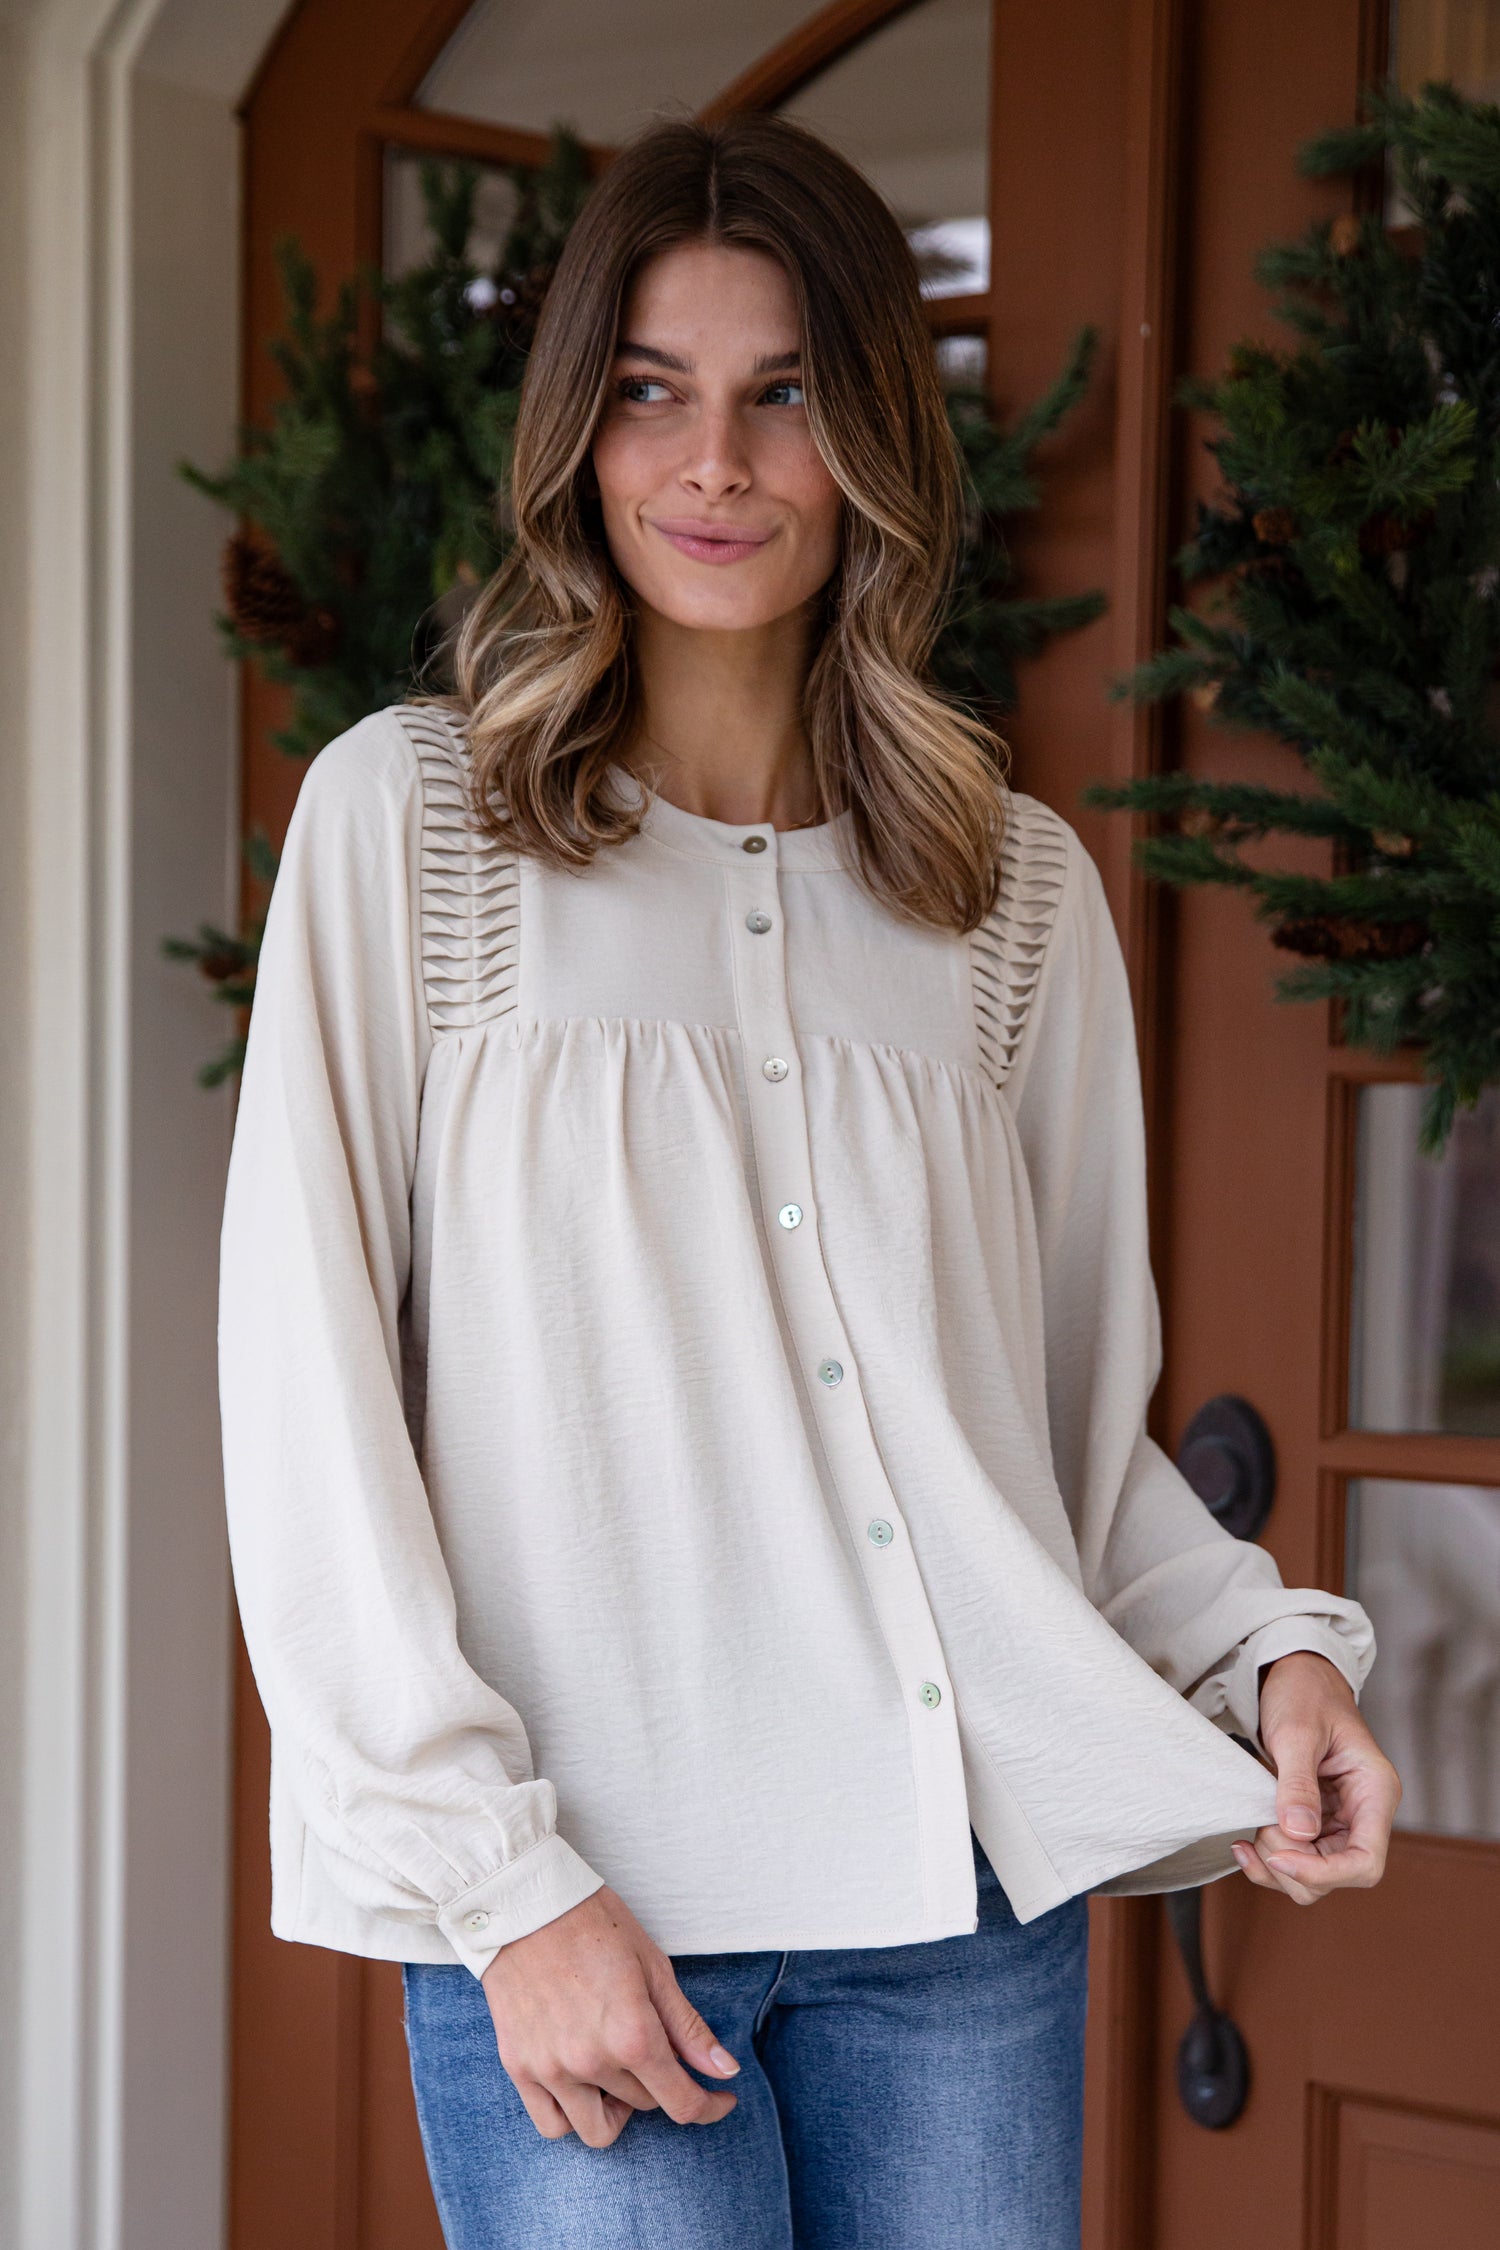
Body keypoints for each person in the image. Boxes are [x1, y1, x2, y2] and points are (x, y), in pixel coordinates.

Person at [218, 111, 1399, 2250]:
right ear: (576, 434)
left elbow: (1054, 1443)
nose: (717, 464)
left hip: (953, 1923)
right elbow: (311, 1420)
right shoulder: (413, 835)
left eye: (786, 396)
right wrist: (503, 1892)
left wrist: (1268, 1661)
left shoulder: (1005, 893)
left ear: (872, 443)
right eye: (652, 391)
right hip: (587, 1924)